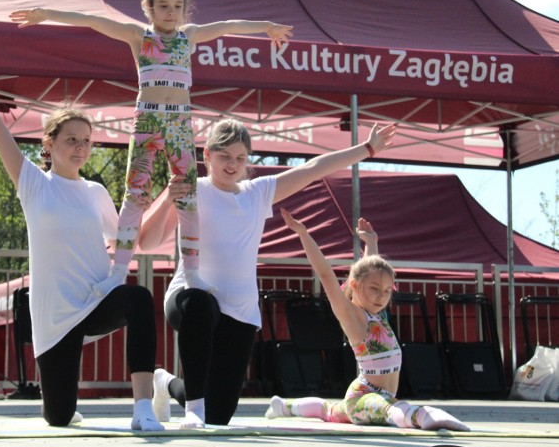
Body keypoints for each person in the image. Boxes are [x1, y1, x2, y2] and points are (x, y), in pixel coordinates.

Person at [9, 0, 293, 296]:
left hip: (178, 123)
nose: (171, 13)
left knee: (187, 198)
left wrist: (266, 27)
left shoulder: (189, 36)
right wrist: (46, 13)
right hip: (148, 120)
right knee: (134, 196)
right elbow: (93, 21)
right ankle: (118, 272)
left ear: (185, 9)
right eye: (163, 6)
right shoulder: (139, 36)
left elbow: (227, 25)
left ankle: (192, 273)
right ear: (148, 8)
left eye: (177, 7)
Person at [0, 43, 164, 430]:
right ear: (49, 144)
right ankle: (65, 403)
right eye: (72, 139)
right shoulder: (34, 184)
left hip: (95, 300)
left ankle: (143, 407)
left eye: (86, 141)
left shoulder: (96, 193)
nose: (80, 147)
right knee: (58, 419)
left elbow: (132, 236)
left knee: (139, 298)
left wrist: (166, 200)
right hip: (55, 317)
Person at [138, 118, 397, 428]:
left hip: (239, 310)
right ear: (206, 155)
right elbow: (146, 241)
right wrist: (167, 196)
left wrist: (367, 149)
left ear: (248, 161)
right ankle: (193, 408)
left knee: (219, 414)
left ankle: (165, 384)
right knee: (199, 305)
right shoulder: (191, 189)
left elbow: (313, 168)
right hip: (189, 299)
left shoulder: (257, 192)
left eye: (240, 158)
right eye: (224, 156)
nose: (232, 164)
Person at [266, 207, 470, 431]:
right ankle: (420, 415)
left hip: (367, 396)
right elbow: (325, 273)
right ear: (355, 285)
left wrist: (371, 242)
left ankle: (283, 406)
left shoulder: (378, 314)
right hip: (365, 397)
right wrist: (303, 234)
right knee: (385, 408)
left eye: (386, 291)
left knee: (329, 411)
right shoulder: (352, 316)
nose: (381, 296)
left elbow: (371, 270)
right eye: (374, 289)